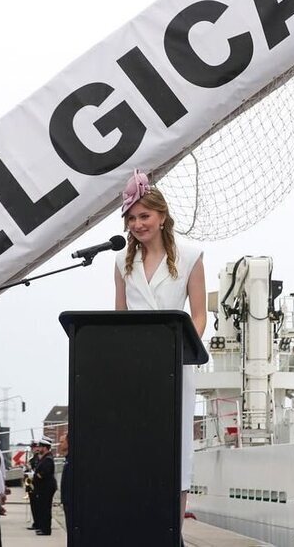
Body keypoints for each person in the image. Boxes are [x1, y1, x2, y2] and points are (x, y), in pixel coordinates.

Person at [113, 168, 207, 529]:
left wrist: (179, 352)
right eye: (132, 218)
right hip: (136, 367)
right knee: (138, 444)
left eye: (144, 216)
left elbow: (198, 315)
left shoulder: (190, 255)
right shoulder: (122, 261)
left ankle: (173, 530)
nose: (138, 224)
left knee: (177, 449)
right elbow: (119, 316)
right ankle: (141, 523)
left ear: (162, 216)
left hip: (175, 364)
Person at [31, 437, 56, 536]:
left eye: (41, 446)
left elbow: (43, 474)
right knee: (42, 508)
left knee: (45, 508)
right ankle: (42, 527)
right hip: (43, 487)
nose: (38, 448)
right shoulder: (44, 458)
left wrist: (34, 475)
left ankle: (46, 529)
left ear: (45, 448)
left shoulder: (48, 459)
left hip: (46, 488)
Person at [25, 440, 39, 530]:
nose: (33, 449)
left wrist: (30, 468)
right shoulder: (32, 459)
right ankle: (36, 522)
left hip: (36, 484)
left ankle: (38, 522)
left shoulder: (39, 459)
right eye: (32, 447)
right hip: (31, 484)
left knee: (37, 506)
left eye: (34, 447)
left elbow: (36, 471)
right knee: (33, 505)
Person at [59, 433, 71, 534]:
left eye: (62, 442)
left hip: (69, 500)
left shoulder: (71, 461)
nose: (60, 444)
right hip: (66, 500)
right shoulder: (67, 460)